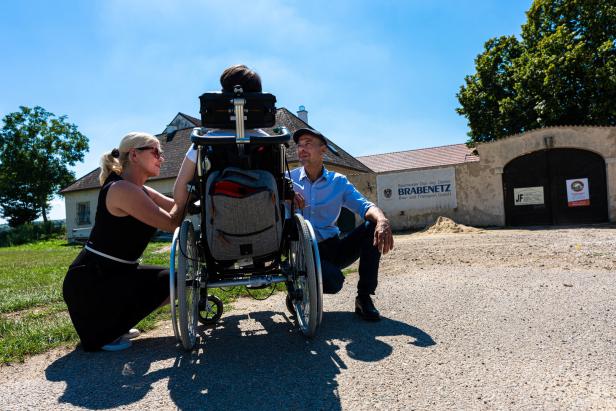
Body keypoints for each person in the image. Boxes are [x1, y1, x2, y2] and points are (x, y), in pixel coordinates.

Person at [63, 132, 184, 351]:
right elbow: (173, 222)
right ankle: (107, 328)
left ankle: (117, 323)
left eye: (161, 152)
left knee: (176, 280)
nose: (161, 157)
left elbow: (177, 206)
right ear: (135, 155)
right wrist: (186, 183)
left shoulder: (141, 189)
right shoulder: (122, 189)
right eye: (155, 151)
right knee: (177, 281)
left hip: (115, 273)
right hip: (92, 283)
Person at [290, 128, 394, 321]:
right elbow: (268, 204)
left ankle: (364, 298)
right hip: (303, 250)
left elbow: (366, 206)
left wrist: (382, 220)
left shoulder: (338, 182)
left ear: (323, 150)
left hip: (332, 247)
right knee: (333, 281)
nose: (302, 149)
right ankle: (298, 292)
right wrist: (285, 196)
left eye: (308, 143)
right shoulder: (288, 180)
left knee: (371, 227)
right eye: (299, 145)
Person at [174, 64, 267, 207]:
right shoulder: (272, 142)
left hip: (217, 223)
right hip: (267, 223)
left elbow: (180, 196)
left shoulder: (203, 143)